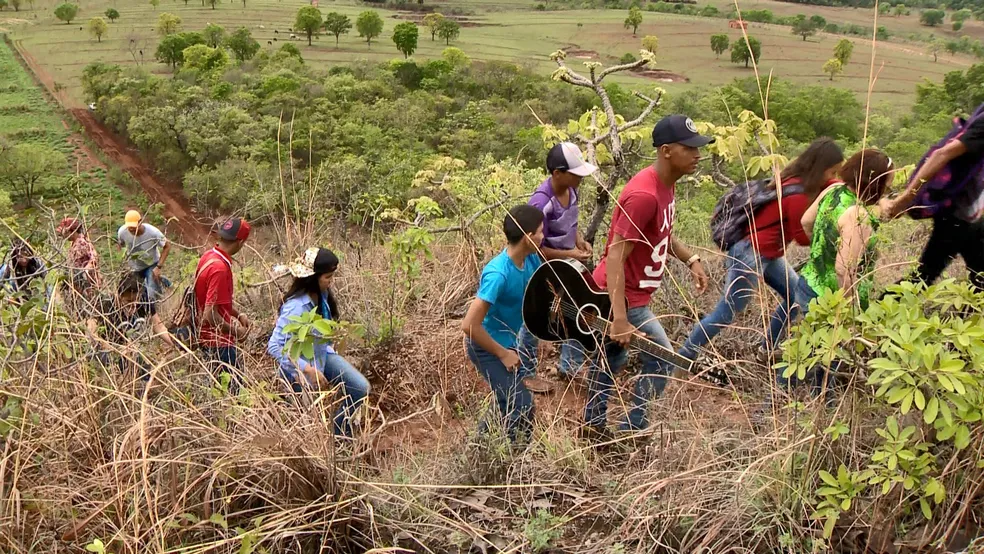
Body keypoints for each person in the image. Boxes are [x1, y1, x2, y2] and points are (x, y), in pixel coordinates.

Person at [589, 114, 711, 434]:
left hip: (632, 295)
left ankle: (593, 423)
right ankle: (632, 429)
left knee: (612, 357)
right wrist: (619, 317)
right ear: (666, 151)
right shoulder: (644, 195)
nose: (698, 155)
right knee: (663, 358)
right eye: (690, 148)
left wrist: (690, 259)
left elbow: (661, 232)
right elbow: (615, 256)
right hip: (623, 296)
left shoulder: (666, 185)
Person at [679, 138, 845, 364]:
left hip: (767, 253)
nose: (834, 176)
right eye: (832, 172)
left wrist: (838, 185)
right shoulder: (798, 195)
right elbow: (802, 237)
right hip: (750, 254)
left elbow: (829, 184)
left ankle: (767, 349)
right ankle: (683, 356)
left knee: (794, 298)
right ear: (820, 169)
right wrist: (835, 236)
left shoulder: (794, 179)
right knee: (727, 313)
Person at [792, 150, 894, 394]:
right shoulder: (858, 217)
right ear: (876, 184)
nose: (887, 191)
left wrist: (822, 251)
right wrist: (849, 314)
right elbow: (844, 270)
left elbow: (806, 222)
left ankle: (783, 395)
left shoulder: (834, 190)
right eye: (887, 186)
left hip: (808, 283)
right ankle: (824, 405)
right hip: (832, 302)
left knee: (805, 350)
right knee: (830, 362)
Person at [461, 205, 544, 441]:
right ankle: (515, 454)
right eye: (540, 231)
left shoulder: (531, 259)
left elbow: (538, 295)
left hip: (508, 342)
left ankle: (479, 447)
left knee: (505, 401)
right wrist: (503, 354)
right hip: (485, 346)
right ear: (528, 237)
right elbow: (469, 325)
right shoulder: (498, 274)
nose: (543, 236)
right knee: (522, 405)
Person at [267, 247, 370, 436]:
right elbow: (275, 346)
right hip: (298, 369)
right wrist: (306, 369)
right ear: (313, 278)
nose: (331, 281)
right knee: (308, 425)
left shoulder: (321, 296)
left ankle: (339, 433)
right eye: (328, 277)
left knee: (359, 388)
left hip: (322, 355)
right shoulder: (295, 307)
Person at [521, 142, 599, 392]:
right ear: (557, 173)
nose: (580, 178)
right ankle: (525, 371)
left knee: (578, 308)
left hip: (567, 266)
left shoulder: (572, 191)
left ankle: (569, 365)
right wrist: (570, 254)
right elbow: (536, 248)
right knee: (534, 316)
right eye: (574, 173)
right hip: (543, 268)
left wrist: (579, 241)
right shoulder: (541, 202)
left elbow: (571, 224)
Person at [879, 112, 984, 291]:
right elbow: (942, 154)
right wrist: (905, 199)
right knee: (924, 276)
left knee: (977, 278)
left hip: (968, 214)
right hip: (958, 215)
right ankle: (879, 308)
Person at [195, 217, 251, 388]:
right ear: (240, 242)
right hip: (217, 342)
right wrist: (236, 332)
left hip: (207, 338)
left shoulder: (209, 256)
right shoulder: (220, 268)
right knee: (234, 391)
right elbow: (210, 314)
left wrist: (238, 314)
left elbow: (214, 301)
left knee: (218, 388)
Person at [85, 273, 173, 378]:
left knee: (147, 372)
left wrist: (176, 344)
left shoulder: (144, 301)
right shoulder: (105, 304)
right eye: (129, 301)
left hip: (131, 351)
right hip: (108, 350)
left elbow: (159, 327)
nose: (133, 306)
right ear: (119, 296)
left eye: (137, 300)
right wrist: (115, 350)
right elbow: (91, 331)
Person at [117, 210, 170, 304]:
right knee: (136, 292)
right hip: (134, 267)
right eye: (129, 227)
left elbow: (167, 246)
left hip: (151, 264)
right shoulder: (122, 232)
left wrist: (158, 267)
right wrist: (123, 262)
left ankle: (156, 306)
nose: (131, 229)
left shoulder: (153, 233)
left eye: (134, 226)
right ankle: (161, 280)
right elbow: (120, 245)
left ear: (140, 222)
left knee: (152, 294)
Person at [57, 217, 102, 303]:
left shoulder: (82, 242)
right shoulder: (74, 243)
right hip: (79, 287)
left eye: (66, 232)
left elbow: (94, 257)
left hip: (88, 287)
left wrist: (85, 271)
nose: (63, 235)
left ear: (72, 231)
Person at [0, 240, 48, 304]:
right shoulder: (8, 268)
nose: (24, 260)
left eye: (25, 255)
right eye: (19, 256)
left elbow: (49, 285)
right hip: (18, 299)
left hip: (36, 298)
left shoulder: (38, 264)